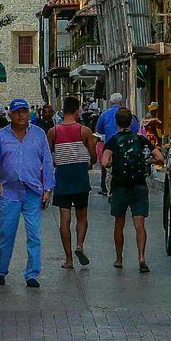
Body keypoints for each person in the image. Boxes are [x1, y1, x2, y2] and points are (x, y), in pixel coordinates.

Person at [0, 99, 55, 288]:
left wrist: (47, 189)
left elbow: (47, 162)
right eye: (17, 112)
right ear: (10, 115)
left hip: (32, 192)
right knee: (5, 233)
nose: (21, 115)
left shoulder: (39, 135)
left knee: (34, 234)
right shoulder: (0, 136)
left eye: (24, 111)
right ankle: (1, 270)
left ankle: (32, 273)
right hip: (8, 192)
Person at [102, 107, 164, 273]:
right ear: (131, 122)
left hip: (120, 187)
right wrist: (147, 161)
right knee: (139, 224)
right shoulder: (141, 139)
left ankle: (119, 259)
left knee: (119, 223)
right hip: (139, 185)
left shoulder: (113, 141)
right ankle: (141, 257)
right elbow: (160, 158)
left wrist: (113, 163)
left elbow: (104, 161)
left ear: (116, 123)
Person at [48, 96, 97, 270]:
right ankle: (79, 246)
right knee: (82, 215)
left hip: (62, 177)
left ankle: (68, 260)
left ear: (63, 111)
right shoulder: (84, 131)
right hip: (80, 176)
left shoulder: (54, 131)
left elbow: (49, 157)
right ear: (78, 112)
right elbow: (94, 155)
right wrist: (89, 162)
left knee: (64, 219)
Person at [95, 93, 138, 196]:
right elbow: (136, 129)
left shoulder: (105, 114)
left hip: (110, 146)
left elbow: (99, 129)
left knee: (108, 168)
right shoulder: (129, 114)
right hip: (128, 144)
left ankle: (107, 190)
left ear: (110, 102)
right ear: (121, 102)